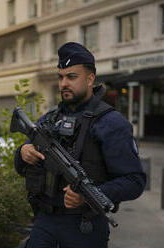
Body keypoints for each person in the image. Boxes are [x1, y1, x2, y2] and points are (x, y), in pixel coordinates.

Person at [14, 42, 146, 248]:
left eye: (71, 77)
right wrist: (23, 153)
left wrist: (89, 196)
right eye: (61, 77)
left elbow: (135, 181)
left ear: (90, 78)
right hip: (44, 222)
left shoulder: (111, 123)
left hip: (85, 228)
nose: (64, 83)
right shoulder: (49, 119)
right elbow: (22, 165)